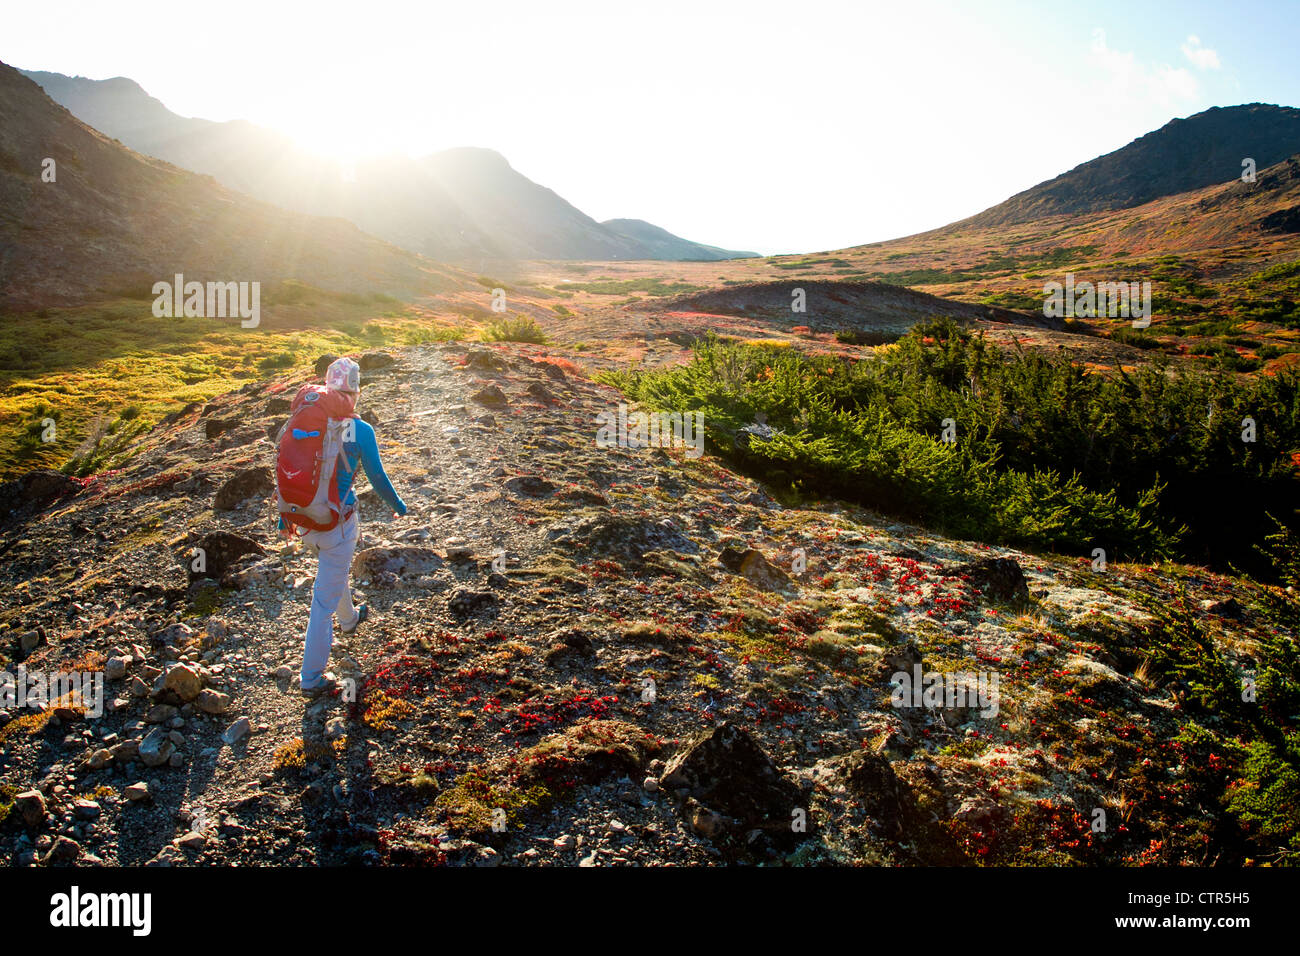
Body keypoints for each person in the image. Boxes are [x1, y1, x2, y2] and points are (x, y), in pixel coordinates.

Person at [285, 357, 407, 696]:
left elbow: (288, 466)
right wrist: (398, 507)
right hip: (336, 524)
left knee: (332, 572)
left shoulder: (304, 417)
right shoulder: (360, 429)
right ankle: (311, 678)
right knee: (322, 601)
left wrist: (286, 517)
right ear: (355, 391)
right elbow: (377, 477)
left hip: (303, 519)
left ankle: (350, 619)